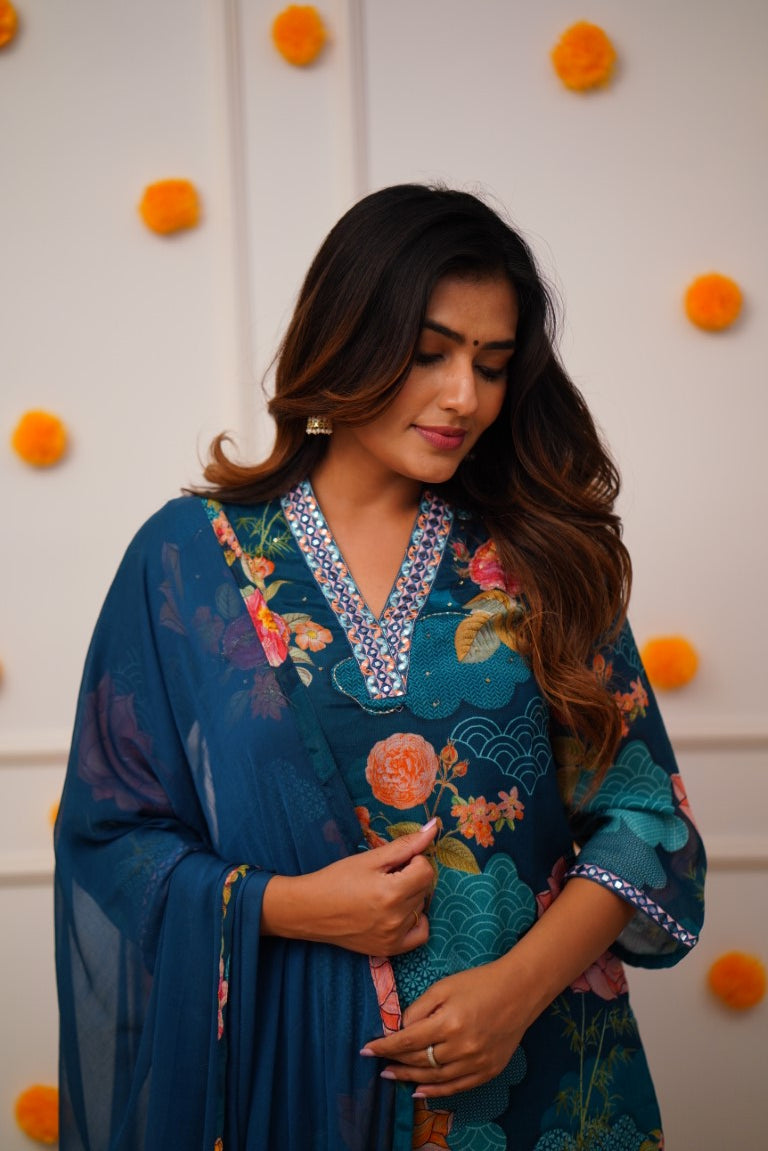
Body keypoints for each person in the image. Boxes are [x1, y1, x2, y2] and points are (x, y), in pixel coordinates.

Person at [55, 184, 705, 1151]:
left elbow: (645, 819)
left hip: (540, 1085)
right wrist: (292, 907)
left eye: (492, 365)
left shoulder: (543, 552)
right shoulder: (187, 561)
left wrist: (514, 993)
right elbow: (112, 834)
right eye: (431, 353)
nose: (465, 396)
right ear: (346, 337)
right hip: (291, 1086)